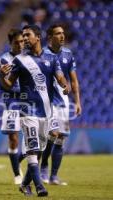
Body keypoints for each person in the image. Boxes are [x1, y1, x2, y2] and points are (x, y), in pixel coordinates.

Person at [0, 24, 70, 197]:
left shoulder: (52, 58)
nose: (24, 39)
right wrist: (2, 76)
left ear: (37, 37)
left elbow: (59, 75)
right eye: (22, 36)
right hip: (27, 110)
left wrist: (63, 84)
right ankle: (39, 186)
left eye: (27, 35)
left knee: (38, 150)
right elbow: (8, 85)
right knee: (32, 149)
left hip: (46, 111)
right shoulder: (19, 60)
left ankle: (25, 185)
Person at [40, 23, 82, 185]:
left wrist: (77, 101)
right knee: (54, 133)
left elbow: (74, 80)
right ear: (50, 37)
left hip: (64, 101)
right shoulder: (42, 54)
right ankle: (43, 167)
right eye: (58, 34)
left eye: (63, 33)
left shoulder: (68, 54)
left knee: (62, 137)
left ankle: (54, 176)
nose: (62, 36)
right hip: (48, 101)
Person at [0, 28, 24, 185]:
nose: (20, 45)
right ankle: (16, 174)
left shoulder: (29, 58)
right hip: (12, 102)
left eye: (22, 42)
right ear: (10, 43)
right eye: (16, 43)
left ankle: (19, 161)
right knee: (13, 137)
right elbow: (5, 85)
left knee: (36, 138)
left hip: (30, 101)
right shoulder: (4, 60)